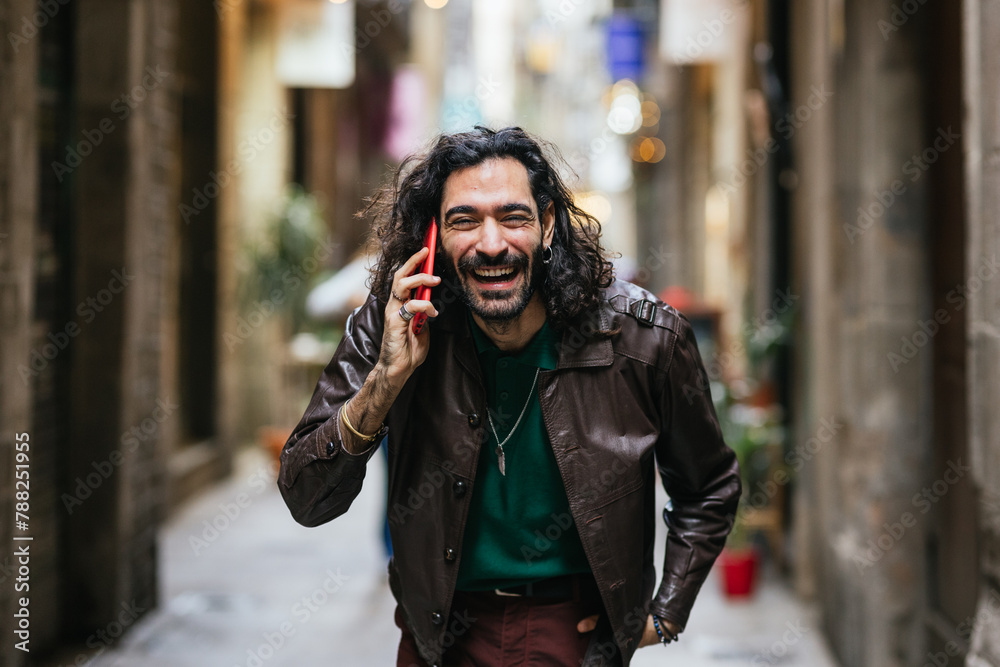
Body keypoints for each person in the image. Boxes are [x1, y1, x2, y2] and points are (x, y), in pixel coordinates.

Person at [277, 126, 741, 667]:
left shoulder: (643, 339)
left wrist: (665, 614)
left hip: (571, 634)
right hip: (437, 635)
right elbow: (306, 498)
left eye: (513, 217)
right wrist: (385, 380)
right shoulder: (390, 327)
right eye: (464, 220)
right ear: (433, 240)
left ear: (547, 225)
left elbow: (708, 487)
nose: (491, 243)